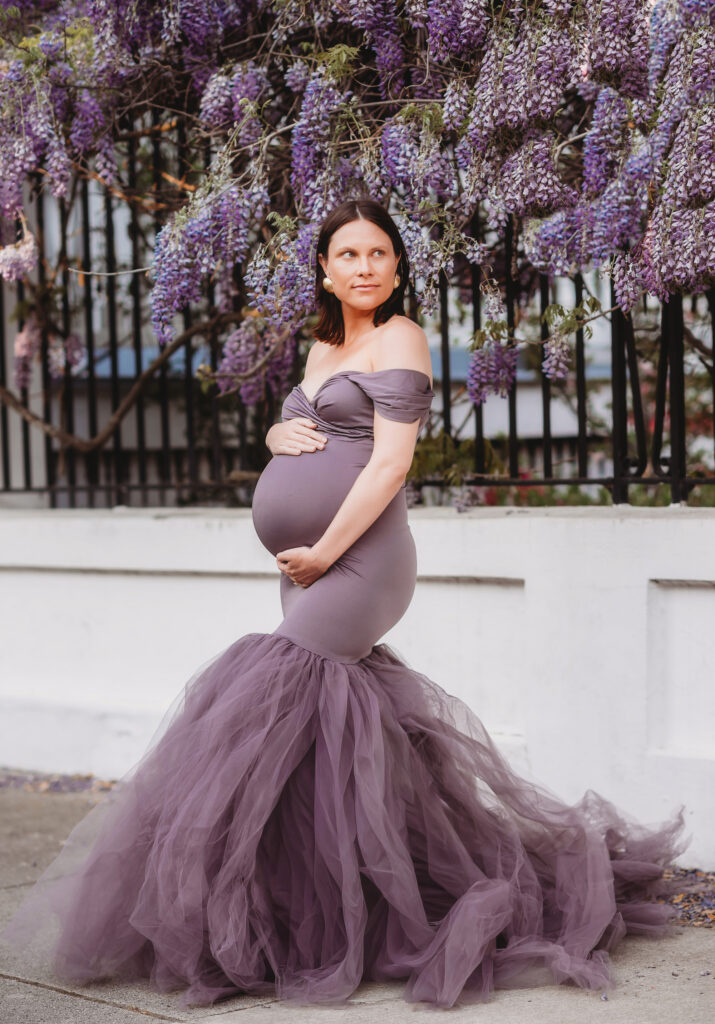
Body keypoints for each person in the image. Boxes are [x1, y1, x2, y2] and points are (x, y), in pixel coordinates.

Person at [1, 198, 688, 1011]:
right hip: (305, 566)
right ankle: (316, 916)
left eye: (378, 254)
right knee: (315, 744)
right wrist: (271, 439)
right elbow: (311, 429)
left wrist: (324, 550)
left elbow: (389, 464)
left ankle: (288, 925)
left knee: (259, 705)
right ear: (323, 269)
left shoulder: (402, 337)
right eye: (348, 255)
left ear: (396, 268)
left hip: (360, 561)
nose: (364, 267)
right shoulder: (325, 343)